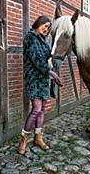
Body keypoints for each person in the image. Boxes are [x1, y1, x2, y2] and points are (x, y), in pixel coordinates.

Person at [18, 15, 62, 154]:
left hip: (43, 80)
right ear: (38, 23)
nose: (46, 29)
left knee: (42, 110)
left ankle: (38, 138)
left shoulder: (43, 41)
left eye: (48, 28)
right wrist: (52, 74)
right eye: (45, 25)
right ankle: (23, 140)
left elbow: (48, 57)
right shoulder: (30, 38)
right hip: (33, 79)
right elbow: (37, 60)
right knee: (36, 109)